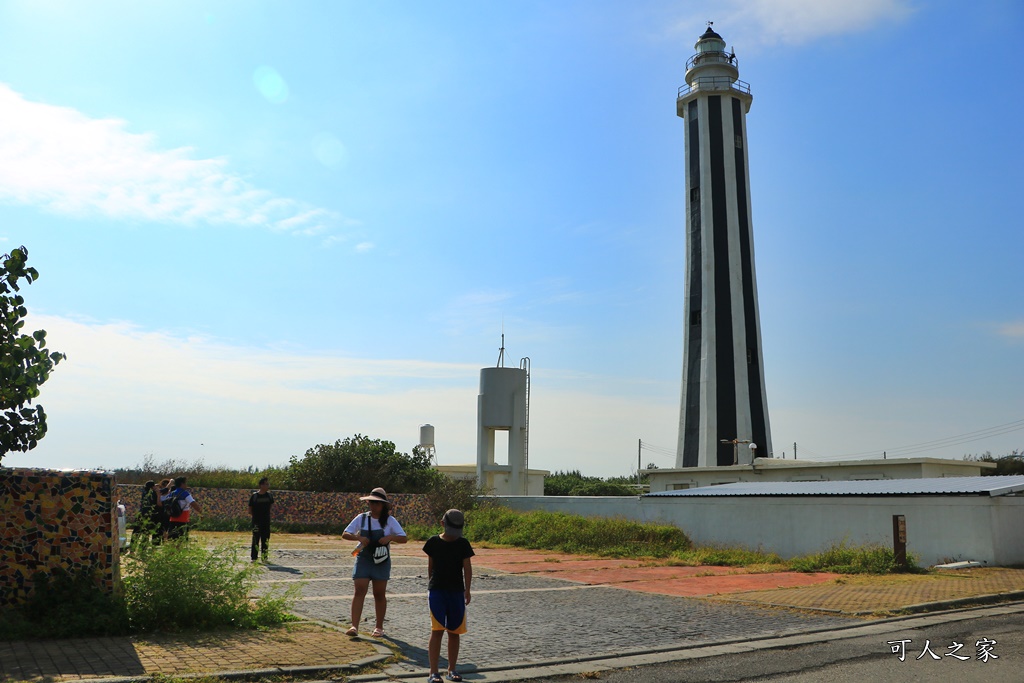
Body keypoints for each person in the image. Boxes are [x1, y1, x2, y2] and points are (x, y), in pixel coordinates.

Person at [341, 487, 408, 637]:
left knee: (379, 593)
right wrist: (358, 538)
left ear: (383, 505)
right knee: (359, 590)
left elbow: (403, 538)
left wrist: (390, 537)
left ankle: (379, 627)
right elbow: (345, 534)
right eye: (371, 503)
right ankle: (354, 626)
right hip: (364, 558)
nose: (373, 506)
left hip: (381, 560)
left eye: (377, 503)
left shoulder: (390, 521)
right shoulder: (362, 518)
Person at [423, 509, 474, 683]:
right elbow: (431, 566)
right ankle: (433, 672)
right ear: (442, 523)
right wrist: (431, 584)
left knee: (454, 632)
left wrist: (467, 590)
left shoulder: (463, 544)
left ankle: (452, 669)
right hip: (437, 591)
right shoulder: (433, 542)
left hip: (457, 592)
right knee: (437, 630)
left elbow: (467, 568)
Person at [163, 476, 202, 540]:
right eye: (185, 483)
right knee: (181, 540)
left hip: (172, 520)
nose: (186, 485)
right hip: (183, 520)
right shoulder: (185, 493)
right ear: (182, 484)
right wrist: (201, 512)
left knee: (172, 540)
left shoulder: (171, 494)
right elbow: (193, 504)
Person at [248, 477, 274, 563]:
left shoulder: (269, 496)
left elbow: (270, 507)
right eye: (266, 484)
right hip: (256, 521)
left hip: (266, 521)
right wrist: (256, 517)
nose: (267, 486)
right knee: (255, 539)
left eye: (268, 484)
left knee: (265, 539)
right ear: (261, 485)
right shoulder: (254, 496)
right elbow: (250, 509)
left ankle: (264, 558)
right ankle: (254, 558)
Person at [130, 480, 160, 549]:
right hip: (147, 516)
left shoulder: (144, 492)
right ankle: (142, 549)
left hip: (140, 514)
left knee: (136, 532)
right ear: (152, 487)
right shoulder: (153, 494)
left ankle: (132, 549)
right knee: (146, 533)